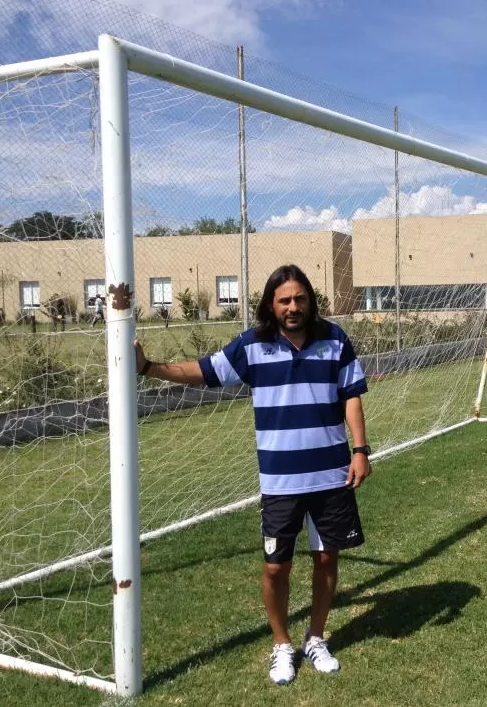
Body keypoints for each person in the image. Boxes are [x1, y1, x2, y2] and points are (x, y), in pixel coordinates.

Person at [134, 264, 371, 686]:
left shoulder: (335, 339)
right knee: (276, 567)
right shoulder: (254, 345)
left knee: (326, 557)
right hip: (280, 482)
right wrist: (149, 367)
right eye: (284, 300)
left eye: (300, 299)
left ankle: (315, 637)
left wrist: (360, 450)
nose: (293, 307)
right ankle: (282, 644)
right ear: (271, 304)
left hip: (331, 475)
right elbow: (205, 371)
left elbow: (352, 396)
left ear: (310, 301)